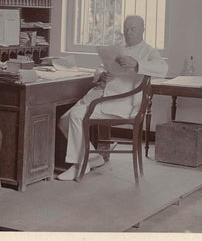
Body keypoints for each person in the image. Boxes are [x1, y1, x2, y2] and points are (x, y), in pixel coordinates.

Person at [57, 15, 168, 181]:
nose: (128, 32)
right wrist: (101, 75)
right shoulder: (119, 49)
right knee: (63, 120)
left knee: (76, 116)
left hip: (122, 103)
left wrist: (136, 64)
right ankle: (94, 158)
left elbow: (163, 69)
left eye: (133, 29)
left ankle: (80, 165)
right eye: (125, 28)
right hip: (101, 95)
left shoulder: (148, 51)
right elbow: (100, 68)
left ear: (143, 31)